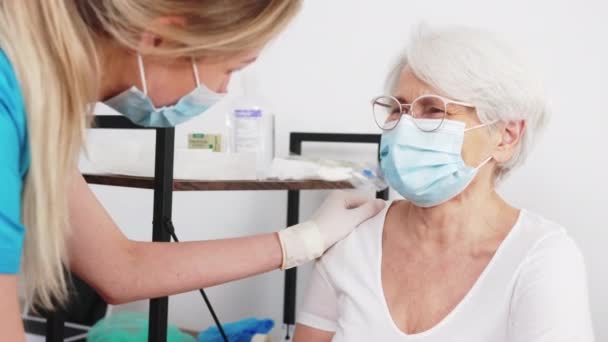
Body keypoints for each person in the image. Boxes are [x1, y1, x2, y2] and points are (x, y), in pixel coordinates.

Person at [0, 1, 385, 340]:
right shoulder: (7, 102)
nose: (221, 90)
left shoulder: (34, 107)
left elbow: (120, 267)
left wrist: (307, 239)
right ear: (162, 36)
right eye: (231, 68)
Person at [293, 25, 594, 341]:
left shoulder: (542, 258)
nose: (405, 127)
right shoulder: (352, 241)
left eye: (434, 110)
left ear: (506, 136)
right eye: (398, 109)